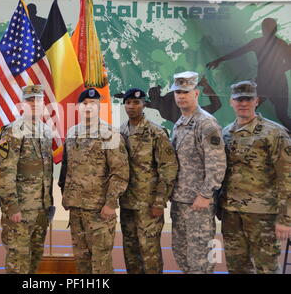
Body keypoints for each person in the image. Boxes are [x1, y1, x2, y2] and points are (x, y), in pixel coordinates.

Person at [220, 80, 291, 274]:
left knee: (266, 267)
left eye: (248, 99)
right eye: (238, 99)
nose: (243, 103)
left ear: (256, 101)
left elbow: (287, 176)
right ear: (231, 102)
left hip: (263, 214)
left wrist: (286, 218)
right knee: (237, 267)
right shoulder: (226, 133)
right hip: (231, 213)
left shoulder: (274, 133)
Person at [58, 87, 130, 274]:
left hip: (100, 210)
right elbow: (67, 169)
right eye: (84, 104)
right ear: (78, 108)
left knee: (101, 263)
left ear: (100, 108)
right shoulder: (72, 133)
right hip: (76, 209)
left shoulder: (110, 134)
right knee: (82, 261)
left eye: (93, 104)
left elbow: (120, 172)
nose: (88, 107)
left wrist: (110, 203)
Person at [170, 71, 226, 274]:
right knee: (182, 253)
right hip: (180, 201)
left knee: (200, 257)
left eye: (185, 91)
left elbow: (217, 163)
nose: (181, 96)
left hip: (198, 203)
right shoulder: (181, 122)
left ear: (196, 93)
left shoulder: (206, 123)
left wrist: (205, 195)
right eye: (177, 92)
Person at [119, 88, 178, 274]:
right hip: (127, 203)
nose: (131, 106)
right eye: (128, 103)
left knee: (149, 253)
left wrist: (160, 201)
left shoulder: (156, 132)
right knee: (130, 252)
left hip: (148, 204)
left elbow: (168, 168)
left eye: (136, 102)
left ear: (143, 104)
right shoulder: (120, 131)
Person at [0, 84, 53, 274]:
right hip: (20, 211)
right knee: (18, 264)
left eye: (38, 99)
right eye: (30, 100)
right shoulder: (13, 131)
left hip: (41, 211)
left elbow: (46, 172)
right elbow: (5, 172)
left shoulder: (46, 132)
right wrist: (11, 206)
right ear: (22, 103)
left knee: (35, 261)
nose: (34, 103)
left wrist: (48, 206)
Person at [207, 18, 291, 131]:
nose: (267, 30)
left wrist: (277, 70)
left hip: (277, 84)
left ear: (274, 29)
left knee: (281, 115)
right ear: (263, 29)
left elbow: (289, 64)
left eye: (269, 28)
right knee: (249, 112)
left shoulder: (281, 44)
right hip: (263, 83)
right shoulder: (261, 43)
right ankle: (243, 135)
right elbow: (238, 52)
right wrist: (219, 60)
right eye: (266, 28)